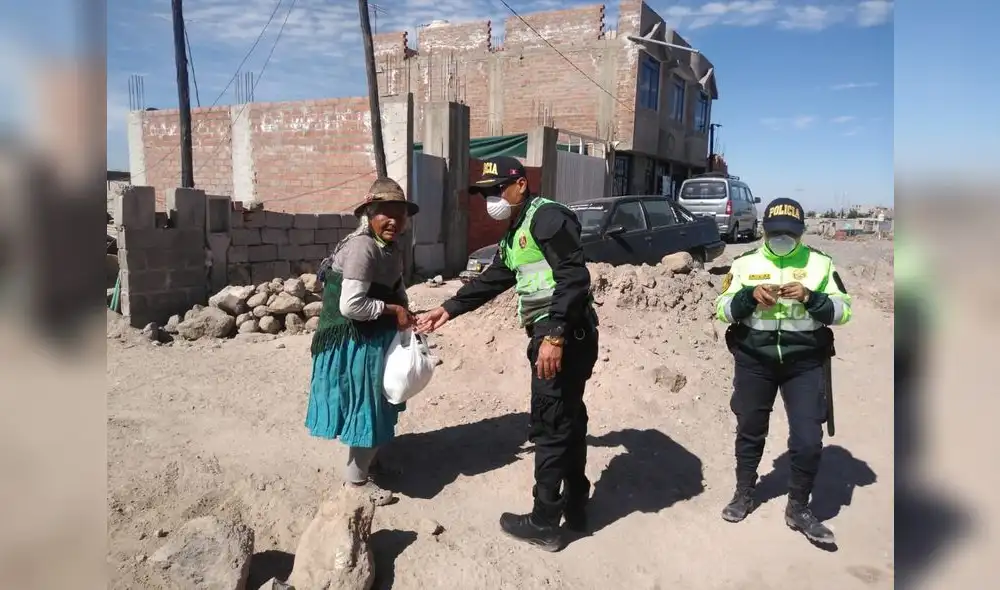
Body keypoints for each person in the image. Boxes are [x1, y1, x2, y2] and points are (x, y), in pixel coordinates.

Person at [416, 156, 599, 552]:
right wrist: (447, 308)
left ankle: (545, 521)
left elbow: (574, 276)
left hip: (564, 338)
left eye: (497, 189)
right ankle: (577, 507)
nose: (491, 199)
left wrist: (553, 335)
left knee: (551, 426)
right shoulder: (516, 230)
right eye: (485, 193)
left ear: (520, 185)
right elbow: (494, 279)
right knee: (568, 420)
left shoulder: (547, 218)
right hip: (559, 336)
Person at [714, 197, 852, 545]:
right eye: (775, 233)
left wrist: (810, 297)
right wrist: (748, 297)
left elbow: (843, 312)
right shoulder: (745, 263)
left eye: (789, 234)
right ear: (764, 231)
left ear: (801, 233)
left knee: (808, 439)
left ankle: (798, 507)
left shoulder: (820, 264)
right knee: (750, 428)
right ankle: (744, 492)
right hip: (754, 360)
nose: (782, 240)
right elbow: (722, 309)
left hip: (803, 362)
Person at [305, 177, 418, 507]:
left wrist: (407, 312)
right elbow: (351, 306)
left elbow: (394, 286)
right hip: (353, 339)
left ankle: (373, 462)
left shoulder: (389, 247)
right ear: (369, 212)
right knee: (366, 406)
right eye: (385, 212)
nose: (394, 220)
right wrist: (394, 309)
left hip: (373, 334)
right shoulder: (362, 247)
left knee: (382, 402)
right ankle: (356, 482)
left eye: (400, 213)